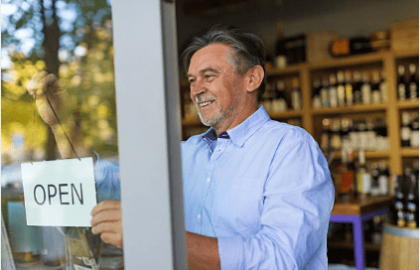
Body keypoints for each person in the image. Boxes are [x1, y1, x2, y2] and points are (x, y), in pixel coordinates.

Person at [29, 25, 335, 270]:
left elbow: (279, 260)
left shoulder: (290, 148)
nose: (196, 89)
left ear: (252, 78)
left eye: (209, 76)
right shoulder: (183, 154)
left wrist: (155, 237)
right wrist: (61, 124)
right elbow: (100, 183)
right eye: (192, 80)